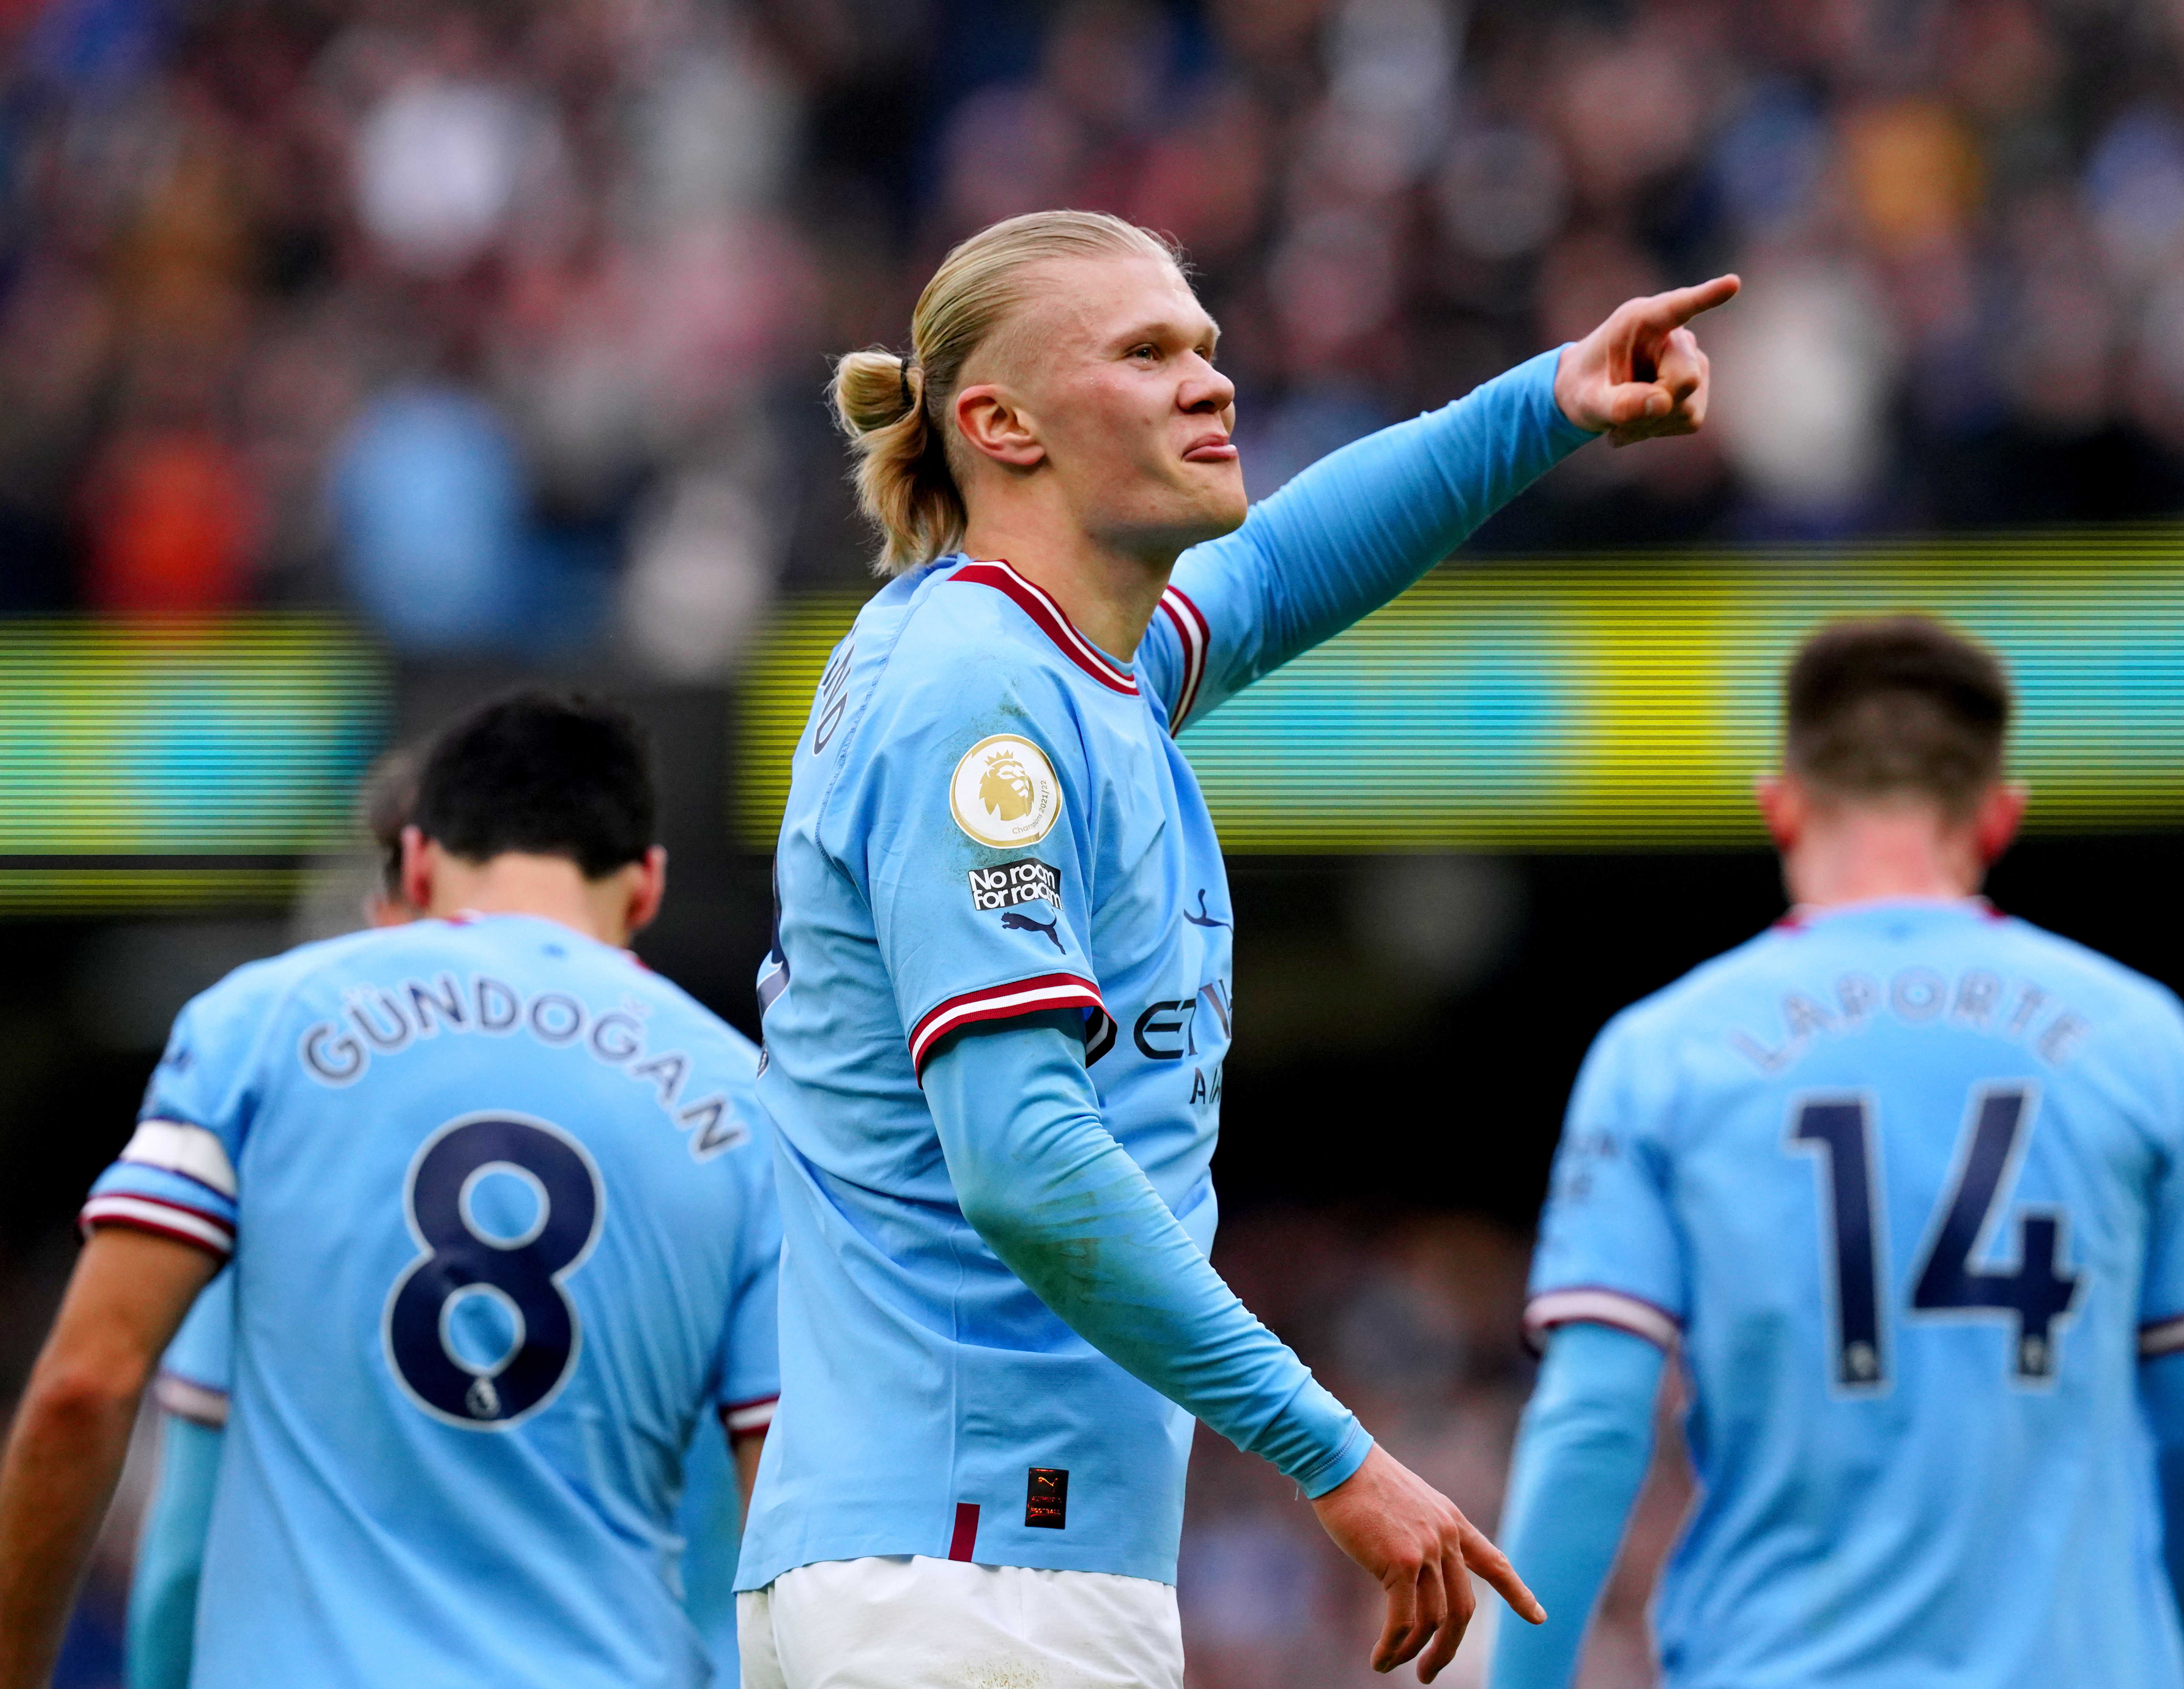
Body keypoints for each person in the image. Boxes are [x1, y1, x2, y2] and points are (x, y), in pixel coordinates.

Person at [742, 205, 1735, 1688]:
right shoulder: (977, 702)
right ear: (998, 423)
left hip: (983, 1564)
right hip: (969, 1568)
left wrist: (1552, 401)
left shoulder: (1079, 661)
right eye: (1146, 354)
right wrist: (1333, 1452)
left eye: (1203, 347)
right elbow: (1018, 1150)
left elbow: (1280, 567)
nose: (1209, 381)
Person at [1490, 617, 2184, 1689]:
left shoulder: (1663, 1052)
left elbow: (1593, 1423)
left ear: (1783, 805)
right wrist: (2152, 1653)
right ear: (2000, 818)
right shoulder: (2140, 1036)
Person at [0, 692, 781, 1689]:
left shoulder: (253, 1033)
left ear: (415, 863)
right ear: (646, 888)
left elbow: (86, 1388)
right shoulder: (748, 1104)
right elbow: (776, 1510)